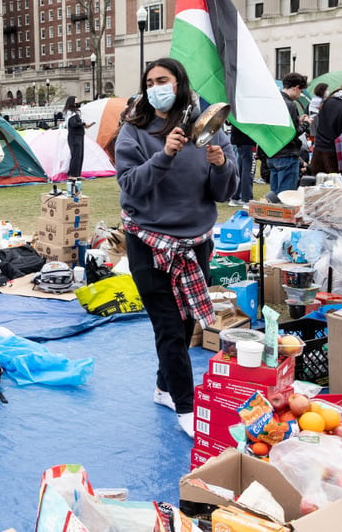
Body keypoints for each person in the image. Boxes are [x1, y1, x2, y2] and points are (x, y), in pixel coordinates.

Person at [114, 58, 238, 438]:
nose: (155, 88)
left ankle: (165, 387)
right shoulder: (132, 132)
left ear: (179, 83)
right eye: (149, 82)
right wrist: (164, 155)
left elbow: (225, 192)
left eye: (162, 80)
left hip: (195, 242)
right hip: (149, 242)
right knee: (168, 325)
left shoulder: (210, 128)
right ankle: (187, 406)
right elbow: (131, 185)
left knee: (184, 322)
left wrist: (219, 165)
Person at [267, 72, 309, 194]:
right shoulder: (290, 104)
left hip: (273, 152)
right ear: (296, 88)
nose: (300, 94)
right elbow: (293, 133)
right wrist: (306, 124)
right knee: (286, 197)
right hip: (287, 153)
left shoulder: (273, 101)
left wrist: (298, 121)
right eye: (301, 91)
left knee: (274, 197)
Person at [312, 76, 342, 175]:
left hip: (318, 151)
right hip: (336, 156)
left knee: (319, 187)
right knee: (337, 189)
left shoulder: (329, 100)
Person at [62, 96, 94, 180]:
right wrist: (83, 124)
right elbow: (73, 124)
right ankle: (72, 174)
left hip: (79, 135)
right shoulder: (70, 113)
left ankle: (77, 174)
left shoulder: (76, 112)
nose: (77, 103)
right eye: (76, 101)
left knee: (80, 155)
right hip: (74, 136)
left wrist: (84, 125)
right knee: (75, 155)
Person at [229, 126, 256, 207]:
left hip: (237, 138)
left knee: (240, 168)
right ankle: (247, 199)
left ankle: (235, 197)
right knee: (248, 170)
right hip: (248, 138)